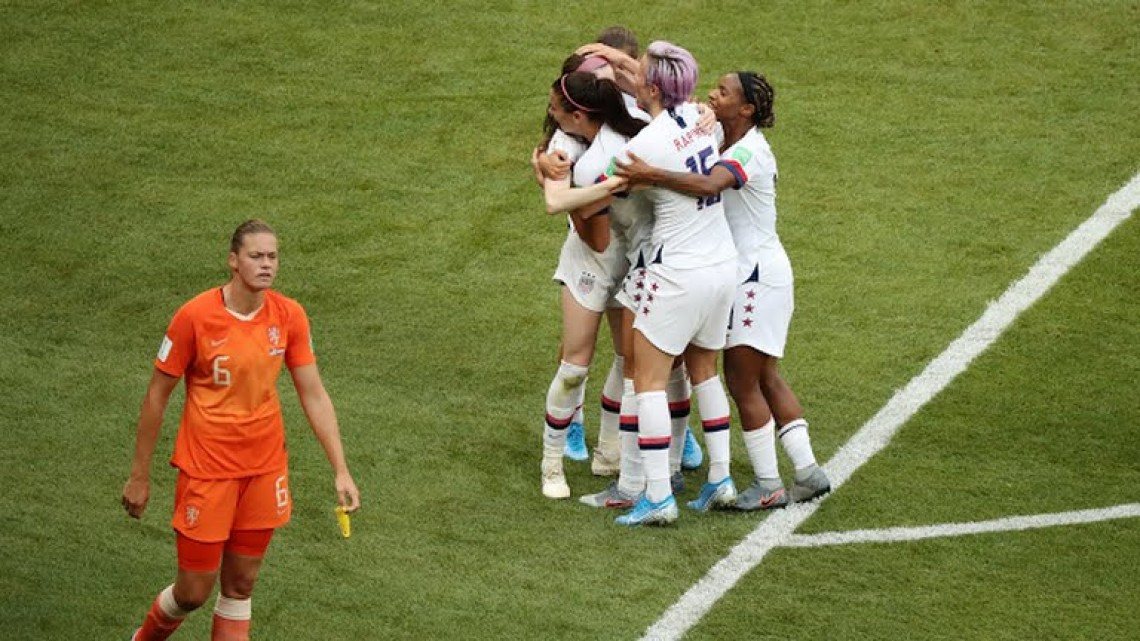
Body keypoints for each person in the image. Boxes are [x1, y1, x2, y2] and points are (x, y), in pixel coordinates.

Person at [121, 219, 361, 640]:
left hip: (264, 470)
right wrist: (139, 476)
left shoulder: (289, 316)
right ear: (233, 261)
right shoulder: (194, 317)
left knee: (241, 585)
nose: (267, 264)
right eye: (256, 256)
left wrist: (340, 469)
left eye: (273, 256)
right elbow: (156, 396)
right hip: (207, 472)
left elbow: (313, 394)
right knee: (193, 592)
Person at [616, 71, 831, 509]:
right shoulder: (723, 139)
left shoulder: (749, 151)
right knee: (765, 376)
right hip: (757, 273)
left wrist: (650, 174)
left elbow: (710, 184)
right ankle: (807, 471)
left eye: (723, 92)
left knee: (742, 380)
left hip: (754, 278)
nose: (713, 95)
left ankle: (768, 483)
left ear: (746, 109)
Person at [608, 41, 740, 526]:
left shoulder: (644, 146)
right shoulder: (704, 121)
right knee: (705, 370)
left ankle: (658, 496)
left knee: (648, 382)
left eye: (641, 74)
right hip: (721, 265)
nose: (636, 79)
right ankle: (721, 479)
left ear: (653, 88)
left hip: (677, 272)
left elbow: (607, 184)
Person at [532, 66, 644, 499]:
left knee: (625, 359)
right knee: (577, 365)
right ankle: (552, 464)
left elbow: (593, 234)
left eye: (555, 108)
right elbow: (594, 238)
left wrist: (570, 199)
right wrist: (547, 175)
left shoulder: (604, 154)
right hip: (598, 260)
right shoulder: (571, 143)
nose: (550, 114)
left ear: (579, 114)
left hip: (620, 256)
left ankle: (609, 451)